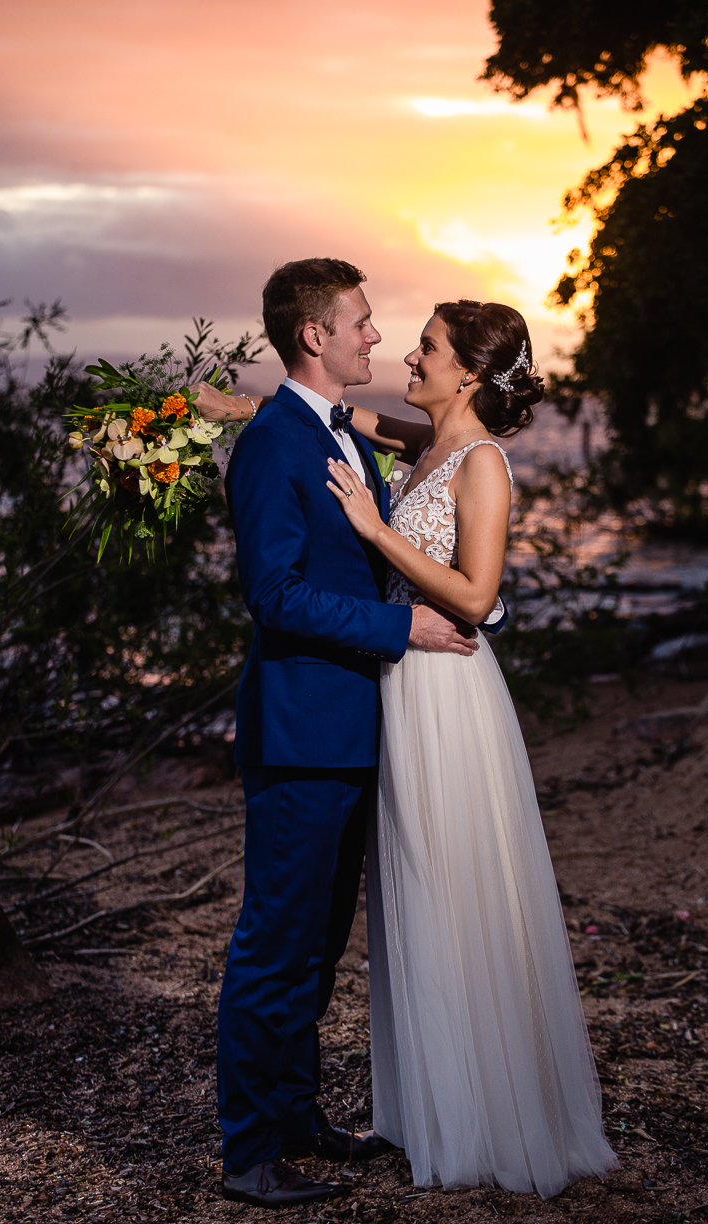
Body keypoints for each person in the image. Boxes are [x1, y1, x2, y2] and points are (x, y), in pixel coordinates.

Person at [190, 258, 480, 1210]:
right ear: (314, 335)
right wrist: (403, 628)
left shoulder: (336, 435)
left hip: (355, 732)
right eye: (360, 321)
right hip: (302, 734)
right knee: (276, 946)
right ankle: (250, 1153)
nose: (374, 335)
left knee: (317, 950)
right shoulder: (278, 444)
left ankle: (301, 1116)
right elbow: (276, 595)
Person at [323, 299, 620, 1197]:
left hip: (449, 693)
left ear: (470, 375)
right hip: (405, 687)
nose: (411, 355)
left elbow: (479, 594)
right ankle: (433, 1109)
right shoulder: (431, 447)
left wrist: (374, 533)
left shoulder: (482, 463)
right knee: (415, 881)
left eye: (428, 348)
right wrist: (234, 411)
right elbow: (341, 417)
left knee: (453, 881)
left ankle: (492, 1118)